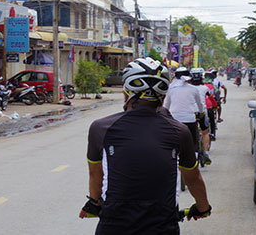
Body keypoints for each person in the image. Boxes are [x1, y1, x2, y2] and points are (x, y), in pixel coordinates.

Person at [79, 58, 211, 234]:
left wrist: (94, 203)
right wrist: (203, 207)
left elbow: (95, 174)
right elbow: (193, 179)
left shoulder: (101, 128)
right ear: (163, 97)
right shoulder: (179, 132)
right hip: (162, 227)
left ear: (126, 93)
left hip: (113, 226)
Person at [189, 68, 212, 164]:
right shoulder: (205, 88)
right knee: (205, 132)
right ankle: (206, 152)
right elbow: (210, 95)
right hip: (202, 112)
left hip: (190, 113)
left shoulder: (188, 87)